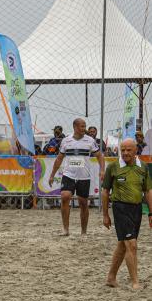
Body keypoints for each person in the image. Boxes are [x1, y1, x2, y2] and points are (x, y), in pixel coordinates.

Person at [101, 139, 152, 290]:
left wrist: (151, 212)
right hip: (120, 208)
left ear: (136, 150)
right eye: (122, 150)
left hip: (136, 209)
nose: (125, 153)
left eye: (129, 150)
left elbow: (148, 191)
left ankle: (111, 277)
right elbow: (105, 192)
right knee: (131, 244)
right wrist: (105, 215)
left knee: (123, 245)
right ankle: (135, 282)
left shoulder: (142, 167)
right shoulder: (113, 167)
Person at [48, 118, 105, 236]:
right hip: (68, 175)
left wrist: (102, 170)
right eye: (82, 126)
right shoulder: (66, 141)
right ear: (75, 127)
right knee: (65, 196)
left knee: (83, 203)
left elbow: (99, 155)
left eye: (85, 126)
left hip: (84, 177)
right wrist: (52, 175)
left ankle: (83, 232)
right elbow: (59, 158)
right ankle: (65, 229)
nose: (84, 129)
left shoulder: (90, 141)